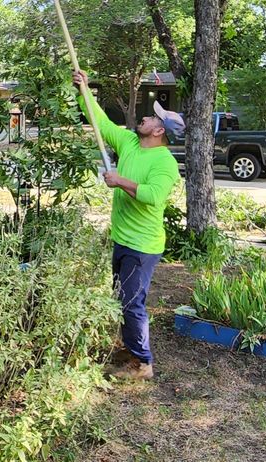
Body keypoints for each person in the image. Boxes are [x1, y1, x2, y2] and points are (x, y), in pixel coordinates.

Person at [73, 70, 184, 381]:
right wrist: (85, 92)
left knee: (131, 302)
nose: (145, 118)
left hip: (142, 245)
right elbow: (102, 124)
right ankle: (132, 348)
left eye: (151, 118)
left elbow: (153, 195)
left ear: (159, 130)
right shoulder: (131, 143)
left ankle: (143, 363)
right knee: (123, 296)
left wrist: (119, 180)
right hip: (123, 238)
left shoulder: (164, 163)